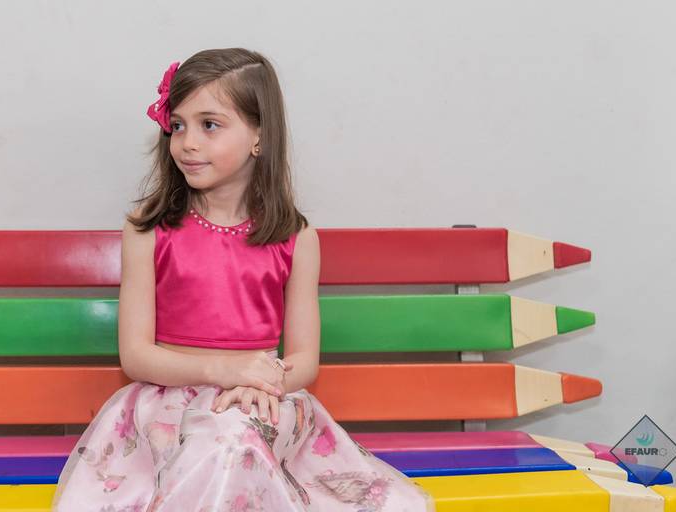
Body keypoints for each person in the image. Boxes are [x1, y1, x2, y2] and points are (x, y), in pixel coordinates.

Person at [51, 47, 436, 512]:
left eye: (209, 125)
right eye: (178, 125)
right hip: (166, 409)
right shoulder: (148, 230)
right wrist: (225, 371)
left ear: (259, 135)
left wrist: (262, 383)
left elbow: (304, 360)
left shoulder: (295, 238)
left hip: (264, 402)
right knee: (219, 442)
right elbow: (136, 356)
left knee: (235, 438)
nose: (187, 143)